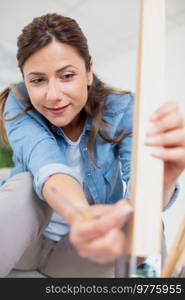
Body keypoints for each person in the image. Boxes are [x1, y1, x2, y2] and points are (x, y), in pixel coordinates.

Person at [0, 13, 185, 278]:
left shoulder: (122, 109)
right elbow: (48, 168)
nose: (53, 96)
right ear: (25, 80)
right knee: (25, 185)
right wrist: (83, 218)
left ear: (88, 72)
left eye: (66, 76)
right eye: (38, 80)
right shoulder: (18, 101)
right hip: (25, 245)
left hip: (76, 253)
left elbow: (138, 189)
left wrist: (160, 182)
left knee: (146, 218)